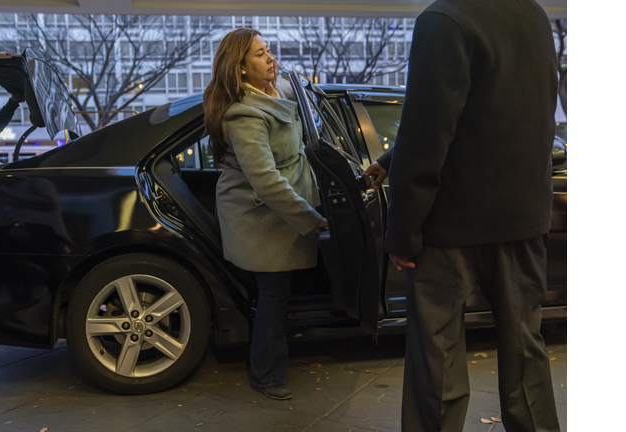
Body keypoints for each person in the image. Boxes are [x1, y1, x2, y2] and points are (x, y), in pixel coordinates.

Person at [364, 0, 561, 430]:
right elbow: (501, 115)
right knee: (526, 357)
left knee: (437, 368)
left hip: (450, 228)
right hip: (522, 220)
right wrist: (392, 159)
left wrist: (402, 233)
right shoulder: (532, 15)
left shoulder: (444, 19)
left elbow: (428, 128)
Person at [202, 28, 327, 401]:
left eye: (269, 50)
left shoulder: (277, 91)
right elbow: (267, 182)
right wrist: (311, 219)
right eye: (260, 54)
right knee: (274, 293)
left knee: (281, 291)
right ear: (239, 69)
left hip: (282, 206)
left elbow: (304, 101)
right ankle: (266, 374)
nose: (270, 58)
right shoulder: (244, 117)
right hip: (262, 216)